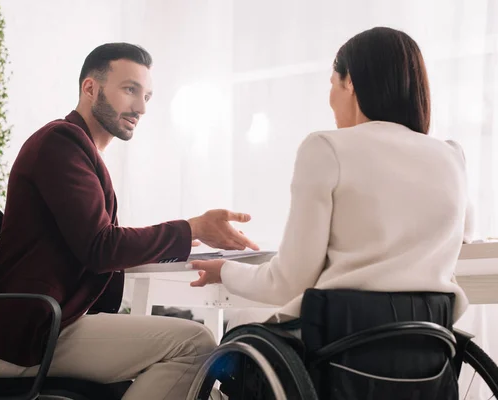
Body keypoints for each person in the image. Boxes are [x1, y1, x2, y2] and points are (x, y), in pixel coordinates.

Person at [0, 43, 258, 399]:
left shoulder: (79, 150)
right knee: (194, 343)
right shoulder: (62, 142)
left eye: (147, 95)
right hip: (26, 337)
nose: (141, 107)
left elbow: (99, 242)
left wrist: (176, 241)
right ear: (90, 88)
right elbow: (100, 246)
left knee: (194, 378)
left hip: (42, 328)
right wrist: (190, 228)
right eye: (130, 90)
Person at [190, 27, 475, 330]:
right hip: (428, 347)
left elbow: (288, 282)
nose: (330, 99)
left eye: (332, 84)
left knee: (238, 342)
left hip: (342, 342)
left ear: (350, 81)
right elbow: (464, 235)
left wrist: (225, 271)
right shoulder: (451, 155)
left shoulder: (326, 148)